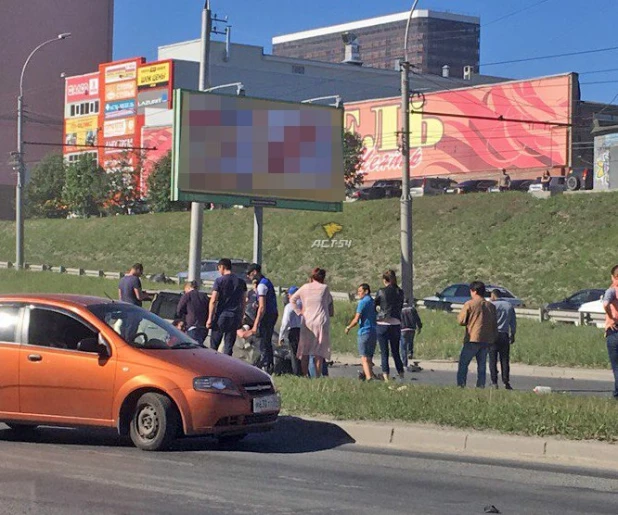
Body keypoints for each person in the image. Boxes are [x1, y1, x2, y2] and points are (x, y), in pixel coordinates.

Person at [289, 268, 334, 378]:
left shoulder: (305, 287)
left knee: (305, 350)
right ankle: (317, 375)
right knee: (319, 351)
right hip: (321, 320)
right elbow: (329, 303)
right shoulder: (325, 288)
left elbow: (292, 299)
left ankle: (305, 375)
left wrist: (299, 312)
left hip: (307, 320)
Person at [456, 281, 498, 388]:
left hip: (472, 338)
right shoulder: (491, 306)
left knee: (463, 364)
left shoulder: (469, 304)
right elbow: (494, 324)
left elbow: (461, 321)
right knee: (482, 366)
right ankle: (481, 385)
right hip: (486, 340)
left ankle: (461, 385)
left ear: (474, 291)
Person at [207, 258, 247, 356]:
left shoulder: (219, 281)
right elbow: (244, 301)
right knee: (229, 346)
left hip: (221, 316)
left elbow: (213, 300)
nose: (218, 271)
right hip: (234, 316)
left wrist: (209, 318)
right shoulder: (241, 282)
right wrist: (241, 318)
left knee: (214, 345)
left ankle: (213, 365)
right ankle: (226, 367)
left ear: (222, 267)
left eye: (219, 268)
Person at [246, 263, 279, 374]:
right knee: (267, 341)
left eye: (250, 275)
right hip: (272, 313)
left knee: (263, 342)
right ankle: (269, 365)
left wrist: (255, 324)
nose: (250, 279)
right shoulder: (267, 282)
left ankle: (265, 365)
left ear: (255, 272)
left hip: (267, 316)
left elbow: (262, 307)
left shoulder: (262, 285)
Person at [374, 270, 405, 381]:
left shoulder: (381, 291)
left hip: (382, 323)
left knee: (384, 352)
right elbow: (400, 306)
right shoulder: (399, 292)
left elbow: (375, 304)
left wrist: (378, 313)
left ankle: (386, 377)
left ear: (384, 280)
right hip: (395, 323)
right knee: (396, 352)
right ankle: (401, 375)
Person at [345, 283, 377, 381]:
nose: (358, 293)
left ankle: (368, 377)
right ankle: (369, 373)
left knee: (364, 357)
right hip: (374, 331)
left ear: (366, 291)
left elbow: (356, 318)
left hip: (364, 331)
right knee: (369, 356)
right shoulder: (373, 301)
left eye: (360, 291)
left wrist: (348, 327)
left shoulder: (363, 302)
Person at [117, 263, 152, 342]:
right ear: (138, 270)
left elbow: (120, 297)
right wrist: (147, 297)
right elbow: (139, 296)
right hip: (133, 310)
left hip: (123, 309)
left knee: (123, 332)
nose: (140, 275)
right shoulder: (135, 280)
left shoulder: (122, 280)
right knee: (131, 333)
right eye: (141, 272)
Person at [489, 289, 516, 390]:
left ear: (493, 295)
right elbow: (513, 322)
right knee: (504, 360)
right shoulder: (508, 305)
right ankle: (506, 381)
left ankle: (494, 381)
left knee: (492, 360)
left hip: (492, 334)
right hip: (504, 334)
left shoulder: (491, 305)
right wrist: (512, 334)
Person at [176, 280, 209, 346]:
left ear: (188, 287)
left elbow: (179, 309)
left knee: (192, 348)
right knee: (199, 347)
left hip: (192, 325)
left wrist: (181, 319)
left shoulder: (187, 295)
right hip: (203, 326)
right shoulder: (204, 296)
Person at [602, 265, 618, 400]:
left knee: (616, 365)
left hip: (614, 330)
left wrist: (611, 317)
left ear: (613, 277)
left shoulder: (612, 291)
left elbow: (606, 304)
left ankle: (617, 394)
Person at [279, 286, 302, 376]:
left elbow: (285, 322)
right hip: (304, 330)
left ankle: (297, 373)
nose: (287, 296)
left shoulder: (289, 306)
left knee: (294, 354)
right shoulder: (304, 304)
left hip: (293, 331)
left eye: (288, 294)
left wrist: (281, 336)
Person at [400, 298, 423, 373]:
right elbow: (417, 319)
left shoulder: (399, 309)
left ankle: (404, 363)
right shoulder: (412, 309)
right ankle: (410, 352)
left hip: (403, 329)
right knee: (410, 341)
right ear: (408, 301)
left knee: (403, 347)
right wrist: (419, 327)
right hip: (412, 328)